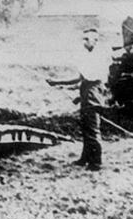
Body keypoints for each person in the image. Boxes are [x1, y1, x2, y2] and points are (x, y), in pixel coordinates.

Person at [47, 27, 112, 171]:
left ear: (95, 41)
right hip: (88, 92)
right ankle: (86, 158)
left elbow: (83, 79)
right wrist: (58, 83)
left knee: (92, 129)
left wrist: (57, 82)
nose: (84, 42)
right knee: (86, 128)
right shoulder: (90, 56)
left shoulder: (98, 57)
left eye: (87, 39)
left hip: (92, 95)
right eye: (84, 39)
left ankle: (96, 163)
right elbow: (82, 80)